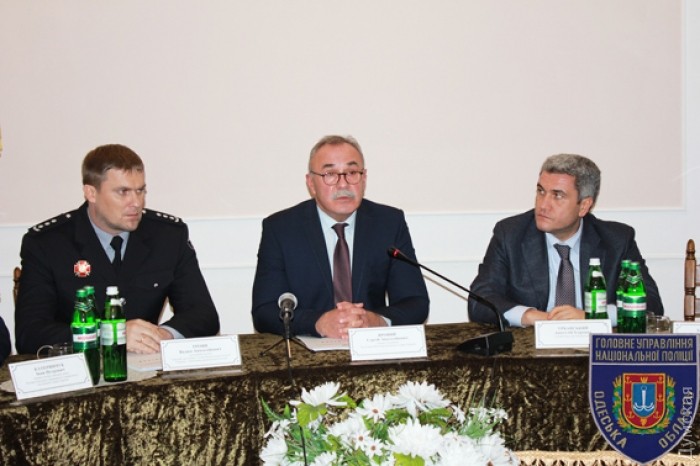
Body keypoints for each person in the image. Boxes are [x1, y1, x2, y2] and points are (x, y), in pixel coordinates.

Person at [15, 144, 219, 355]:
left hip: (147, 364)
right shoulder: (48, 244)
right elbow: (29, 333)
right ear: (91, 193)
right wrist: (109, 335)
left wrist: (163, 335)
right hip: (81, 366)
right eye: (123, 192)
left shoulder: (167, 236)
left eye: (140, 191)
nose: (136, 203)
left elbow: (203, 314)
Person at [252, 135, 429, 339]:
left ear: (364, 178)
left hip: (372, 347)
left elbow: (416, 303)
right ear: (311, 183)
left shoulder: (388, 222)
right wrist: (317, 323)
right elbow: (264, 311)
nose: (343, 184)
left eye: (352, 173)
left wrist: (376, 320)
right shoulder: (281, 228)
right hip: (309, 350)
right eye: (330, 174)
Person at [468, 153, 663, 327]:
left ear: (584, 206)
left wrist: (592, 317)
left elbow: (651, 305)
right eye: (541, 191)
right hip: (532, 347)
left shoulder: (617, 240)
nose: (543, 205)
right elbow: (479, 301)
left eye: (558, 196)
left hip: (593, 348)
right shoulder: (510, 234)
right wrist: (530, 316)